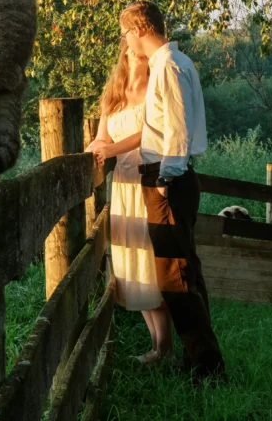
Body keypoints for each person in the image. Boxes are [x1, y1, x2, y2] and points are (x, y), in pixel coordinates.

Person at [119, 0, 226, 383]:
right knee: (184, 272)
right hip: (171, 178)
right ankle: (200, 359)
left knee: (175, 277)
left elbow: (177, 129)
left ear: (140, 28)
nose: (126, 42)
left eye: (126, 33)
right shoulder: (173, 63)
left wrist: (165, 179)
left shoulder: (168, 66)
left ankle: (207, 368)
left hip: (168, 181)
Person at [87, 45, 173, 365]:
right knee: (131, 262)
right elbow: (102, 138)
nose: (137, 55)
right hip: (122, 184)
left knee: (150, 265)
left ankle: (164, 347)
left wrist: (106, 152)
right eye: (131, 50)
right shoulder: (113, 94)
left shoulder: (156, 90)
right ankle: (156, 347)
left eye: (141, 52)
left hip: (147, 179)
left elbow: (144, 135)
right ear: (124, 54)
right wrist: (90, 152)